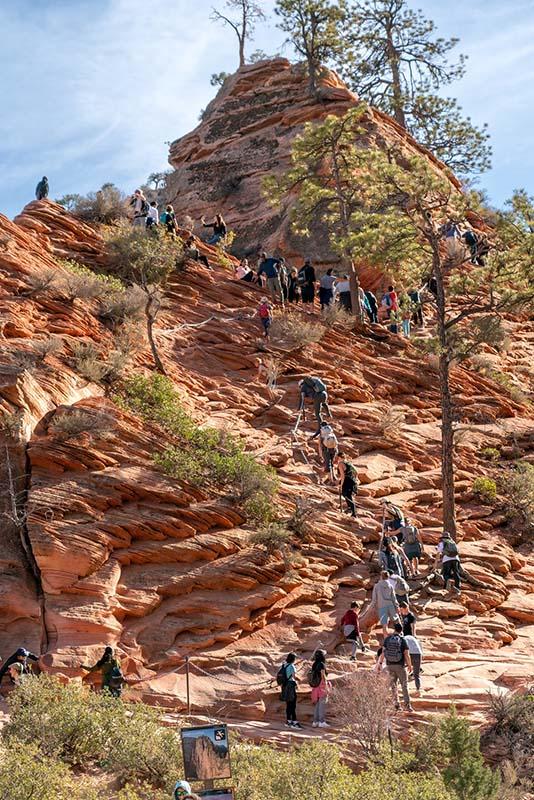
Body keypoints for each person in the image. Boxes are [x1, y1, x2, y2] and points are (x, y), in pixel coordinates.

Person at [377, 622, 413, 712]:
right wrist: (409, 665)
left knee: (393, 686)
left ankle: (397, 705)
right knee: (404, 685)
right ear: (401, 630)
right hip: (400, 666)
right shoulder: (402, 640)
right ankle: (407, 706)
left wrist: (380, 663)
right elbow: (406, 654)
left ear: (394, 629)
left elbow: (383, 652)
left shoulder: (388, 639)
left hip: (389, 665)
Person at [371, 570, 400, 636]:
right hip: (391, 605)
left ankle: (386, 639)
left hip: (382, 606)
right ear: (388, 577)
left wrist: (371, 608)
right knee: (396, 621)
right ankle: (400, 636)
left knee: (384, 625)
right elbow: (394, 598)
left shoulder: (377, 586)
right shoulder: (390, 586)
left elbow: (374, 599)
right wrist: (397, 606)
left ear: (381, 576)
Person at [278, 652, 301, 728]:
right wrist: (299, 680)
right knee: (293, 704)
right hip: (290, 685)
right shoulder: (291, 666)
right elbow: (294, 676)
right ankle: (294, 722)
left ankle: (288, 721)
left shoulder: (284, 665)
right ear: (293, 659)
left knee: (288, 704)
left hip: (284, 685)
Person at [309, 649, 328, 728]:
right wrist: (326, 685)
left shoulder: (314, 664)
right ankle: (321, 722)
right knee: (322, 704)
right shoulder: (322, 664)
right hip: (321, 685)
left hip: (315, 686)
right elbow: (323, 675)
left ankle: (315, 721)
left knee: (317, 704)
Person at [337, 451, 357, 517]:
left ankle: (354, 513)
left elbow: (342, 475)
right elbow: (355, 471)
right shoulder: (348, 462)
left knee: (347, 496)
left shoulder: (341, 464)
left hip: (346, 481)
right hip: (352, 480)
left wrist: (341, 485)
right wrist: (355, 478)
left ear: (339, 457)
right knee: (347, 495)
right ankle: (349, 508)